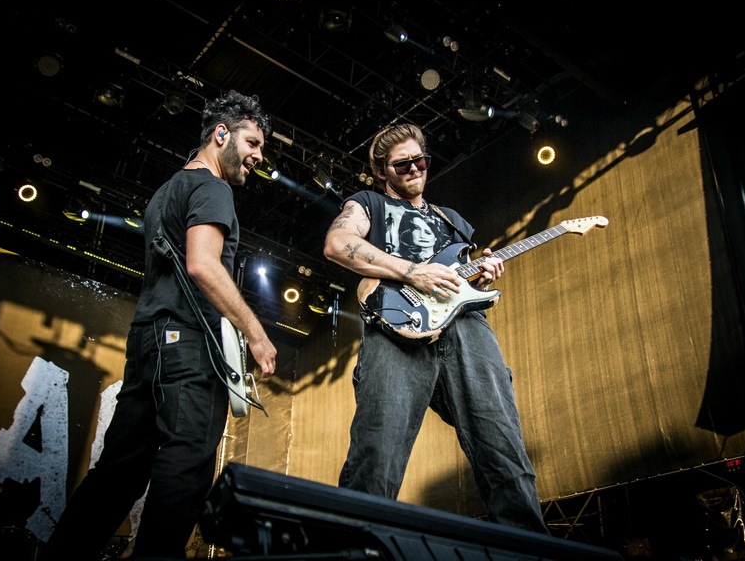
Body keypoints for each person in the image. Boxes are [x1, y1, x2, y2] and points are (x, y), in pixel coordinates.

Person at [41, 90, 278, 560]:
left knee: (118, 473)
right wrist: (256, 333)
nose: (257, 157)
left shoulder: (167, 190)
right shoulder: (214, 188)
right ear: (221, 134)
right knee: (185, 470)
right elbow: (203, 264)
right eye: (252, 143)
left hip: (147, 341)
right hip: (187, 347)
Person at [323, 123, 549, 534]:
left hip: (466, 329)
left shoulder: (453, 220)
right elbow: (338, 244)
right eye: (402, 164)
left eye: (420, 160)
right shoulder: (368, 203)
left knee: (502, 446)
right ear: (381, 171)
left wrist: (482, 275)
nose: (414, 169)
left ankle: (533, 549)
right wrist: (412, 272)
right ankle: (354, 546)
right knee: (378, 452)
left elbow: (461, 280)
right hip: (394, 326)